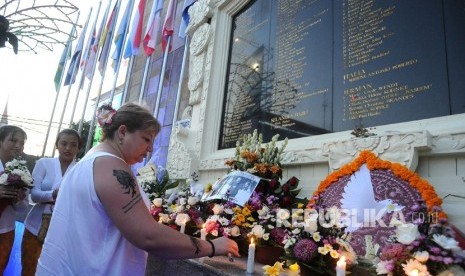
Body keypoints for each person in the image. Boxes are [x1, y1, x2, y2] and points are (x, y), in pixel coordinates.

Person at [37, 103, 239, 275]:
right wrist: (212, 246)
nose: (150, 149)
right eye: (146, 139)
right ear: (123, 132)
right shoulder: (111, 167)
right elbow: (148, 235)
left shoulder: (90, 161)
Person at [21, 129, 81, 276]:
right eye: (64, 143)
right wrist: (53, 194)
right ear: (57, 145)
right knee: (29, 268)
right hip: (35, 226)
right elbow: (34, 195)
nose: (68, 148)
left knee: (53, 271)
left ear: (78, 148)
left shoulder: (81, 168)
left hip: (63, 229)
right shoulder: (44, 163)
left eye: (73, 145)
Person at [0, 125, 28, 274]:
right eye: (13, 140)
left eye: (22, 142)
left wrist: (19, 199)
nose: (18, 145)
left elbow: (23, 207)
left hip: (6, 230)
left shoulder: (22, 171)